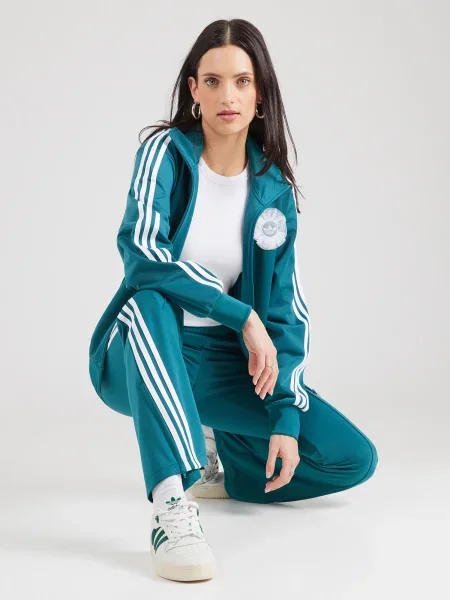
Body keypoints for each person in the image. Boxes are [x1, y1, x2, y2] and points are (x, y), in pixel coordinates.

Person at [88, 18, 378, 583]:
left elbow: (284, 308)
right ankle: (172, 505)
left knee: (349, 456)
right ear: (193, 91)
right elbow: (142, 256)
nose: (228, 96)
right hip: (138, 356)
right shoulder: (165, 155)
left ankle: (227, 460)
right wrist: (237, 313)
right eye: (214, 81)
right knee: (150, 302)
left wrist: (283, 415)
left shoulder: (273, 190)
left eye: (242, 81)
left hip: (221, 367)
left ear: (260, 94)